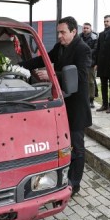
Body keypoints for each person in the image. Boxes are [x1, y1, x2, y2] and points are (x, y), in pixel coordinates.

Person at [19, 16, 92, 195]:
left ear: (74, 32)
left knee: (77, 146)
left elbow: (82, 77)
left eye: (62, 32)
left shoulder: (83, 49)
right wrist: (19, 66)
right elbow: (42, 59)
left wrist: (52, 76)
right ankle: (61, 176)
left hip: (76, 105)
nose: (59, 36)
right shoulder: (60, 47)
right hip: (61, 103)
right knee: (64, 144)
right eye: (58, 32)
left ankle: (74, 184)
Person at [95, 14, 110, 113]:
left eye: (107, 21)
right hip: (102, 64)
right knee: (103, 85)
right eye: (104, 21)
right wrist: (96, 63)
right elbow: (98, 49)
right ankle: (104, 104)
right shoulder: (101, 34)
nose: (105, 23)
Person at [79, 22, 98, 108]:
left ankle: (91, 100)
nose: (85, 29)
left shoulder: (95, 37)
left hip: (91, 63)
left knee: (90, 82)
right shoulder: (79, 37)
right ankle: (83, 98)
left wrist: (86, 52)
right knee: (81, 81)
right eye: (84, 28)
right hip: (80, 62)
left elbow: (96, 49)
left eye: (87, 28)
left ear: (90, 29)